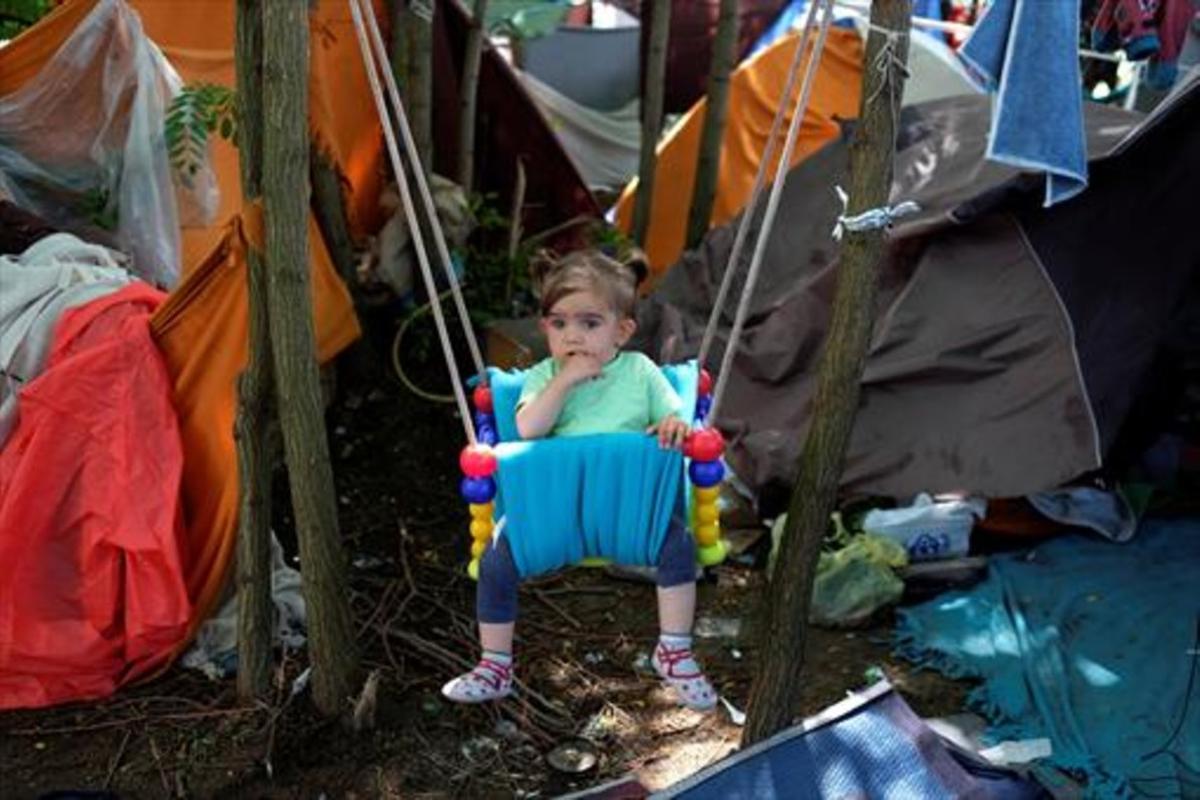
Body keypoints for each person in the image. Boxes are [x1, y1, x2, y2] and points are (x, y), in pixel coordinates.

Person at [441, 249, 718, 711]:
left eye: (590, 324)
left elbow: (675, 416)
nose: (573, 336)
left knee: (679, 548)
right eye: (559, 323)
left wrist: (673, 425)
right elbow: (528, 430)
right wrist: (563, 381)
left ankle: (674, 650)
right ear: (545, 327)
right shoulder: (542, 377)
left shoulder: (641, 372)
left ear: (622, 330)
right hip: (554, 516)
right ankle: (494, 664)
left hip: (629, 514)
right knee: (495, 562)